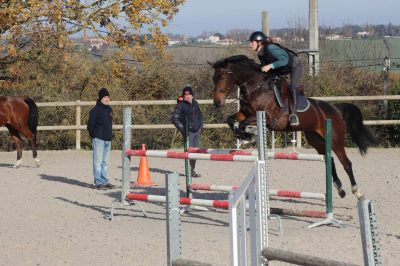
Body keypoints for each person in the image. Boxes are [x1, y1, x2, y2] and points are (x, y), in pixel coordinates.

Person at [249, 31, 304, 126]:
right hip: (281, 68)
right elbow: (266, 69)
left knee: (292, 87)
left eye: (252, 42)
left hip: (294, 65)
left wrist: (270, 66)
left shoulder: (270, 48)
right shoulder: (260, 54)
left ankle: (294, 115)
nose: (250, 44)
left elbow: (284, 60)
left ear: (259, 42)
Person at [171, 86, 203, 177]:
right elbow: (174, 119)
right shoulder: (180, 105)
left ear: (192, 95)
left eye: (189, 94)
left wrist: (201, 126)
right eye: (186, 94)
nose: (187, 96)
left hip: (196, 131)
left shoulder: (196, 103)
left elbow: (200, 115)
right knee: (189, 152)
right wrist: (183, 129)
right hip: (188, 132)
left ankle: (192, 170)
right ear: (183, 95)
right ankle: (189, 171)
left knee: (195, 152)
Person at [87, 88, 115, 190]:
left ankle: (104, 181)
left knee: (105, 162)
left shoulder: (109, 109)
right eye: (105, 97)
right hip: (99, 139)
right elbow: (90, 125)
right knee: (98, 162)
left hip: (108, 139)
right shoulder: (95, 110)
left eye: (108, 97)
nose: (107, 99)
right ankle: (98, 182)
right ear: (101, 98)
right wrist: (94, 135)